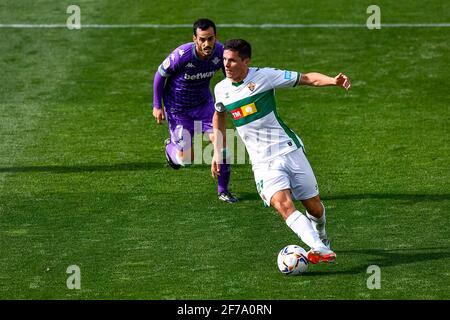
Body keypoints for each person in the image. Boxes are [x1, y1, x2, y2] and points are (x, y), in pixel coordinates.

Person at [211, 39, 351, 264]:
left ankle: (322, 237)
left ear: (245, 61)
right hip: (262, 162)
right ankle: (317, 247)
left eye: (232, 60)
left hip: (288, 150)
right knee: (283, 205)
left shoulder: (265, 76)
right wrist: (218, 152)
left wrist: (333, 81)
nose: (226, 64)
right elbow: (218, 116)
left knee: (314, 207)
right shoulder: (221, 89)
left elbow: (306, 78)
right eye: (225, 59)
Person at [153, 18, 238, 203]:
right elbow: (160, 76)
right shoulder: (182, 54)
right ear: (195, 39)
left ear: (216, 37)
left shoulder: (220, 53)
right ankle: (170, 149)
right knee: (187, 159)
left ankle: (223, 191)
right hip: (178, 109)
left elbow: (229, 77)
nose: (207, 43)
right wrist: (157, 106)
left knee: (222, 144)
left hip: (204, 105)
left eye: (210, 38)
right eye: (202, 39)